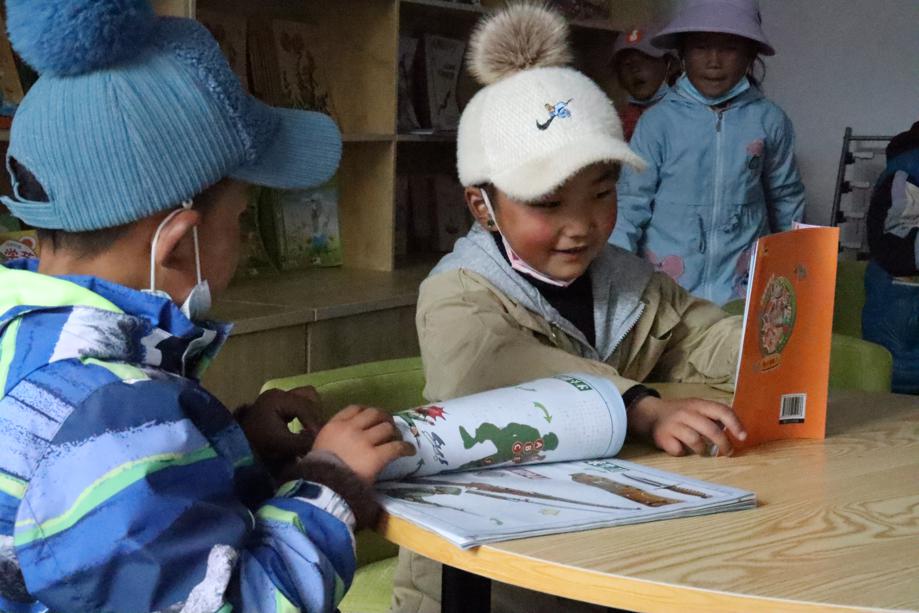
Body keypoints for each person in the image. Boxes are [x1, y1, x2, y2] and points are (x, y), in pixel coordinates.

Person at [0, 1, 413, 611]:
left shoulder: (32, 339)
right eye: (240, 221)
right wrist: (332, 482)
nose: (242, 240)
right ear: (177, 244)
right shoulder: (109, 413)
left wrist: (233, 443)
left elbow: (117, 523)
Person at [393, 6, 747, 612]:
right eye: (549, 203)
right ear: (482, 206)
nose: (581, 225)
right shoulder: (457, 294)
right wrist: (641, 405)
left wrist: (765, 344)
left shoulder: (628, 280)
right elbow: (510, 376)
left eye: (602, 194)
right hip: (489, 577)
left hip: (604, 557)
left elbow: (697, 332)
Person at [611, 0, 806, 306]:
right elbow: (630, 203)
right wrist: (614, 280)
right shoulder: (658, 122)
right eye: (701, 47)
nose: (714, 61)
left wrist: (796, 270)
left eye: (729, 48)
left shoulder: (769, 120)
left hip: (742, 291)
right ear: (682, 54)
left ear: (749, 55)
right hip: (668, 290)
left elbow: (786, 198)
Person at [863, 120, 919, 394]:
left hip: (903, 303)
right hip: (902, 306)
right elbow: (894, 246)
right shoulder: (908, 170)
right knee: (898, 397)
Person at [610, 25, 679, 141]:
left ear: (669, 65)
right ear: (620, 79)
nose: (634, 69)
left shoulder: (689, 114)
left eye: (646, 59)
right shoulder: (616, 124)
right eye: (626, 64)